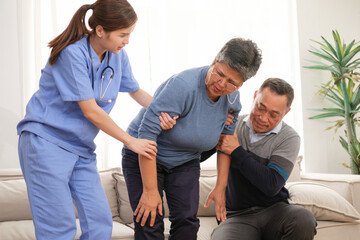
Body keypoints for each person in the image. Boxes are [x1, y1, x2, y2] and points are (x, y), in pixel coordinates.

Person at [16, 0, 176, 239]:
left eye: (130, 34)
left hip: (80, 148)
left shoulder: (117, 56)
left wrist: (163, 112)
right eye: (123, 34)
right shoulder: (72, 53)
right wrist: (131, 141)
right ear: (100, 30)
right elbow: (90, 110)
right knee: (58, 228)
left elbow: (135, 91)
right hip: (46, 143)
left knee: (101, 224)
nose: (127, 40)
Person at [122, 37, 262, 240]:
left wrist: (220, 187)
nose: (221, 84)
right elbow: (146, 135)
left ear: (242, 84)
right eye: (219, 73)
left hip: (185, 160)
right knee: (149, 220)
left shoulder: (232, 99)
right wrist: (151, 190)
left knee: (187, 223)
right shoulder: (183, 86)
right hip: (145, 154)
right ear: (214, 60)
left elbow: (225, 144)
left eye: (232, 82)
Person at [205, 78, 317, 240]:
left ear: (286, 112)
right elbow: (198, 156)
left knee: (303, 218)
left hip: (275, 210)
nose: (263, 118)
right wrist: (212, 131)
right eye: (260, 107)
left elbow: (271, 185)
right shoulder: (231, 126)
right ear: (255, 96)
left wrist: (236, 150)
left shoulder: (289, 137)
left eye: (274, 114)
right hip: (237, 215)